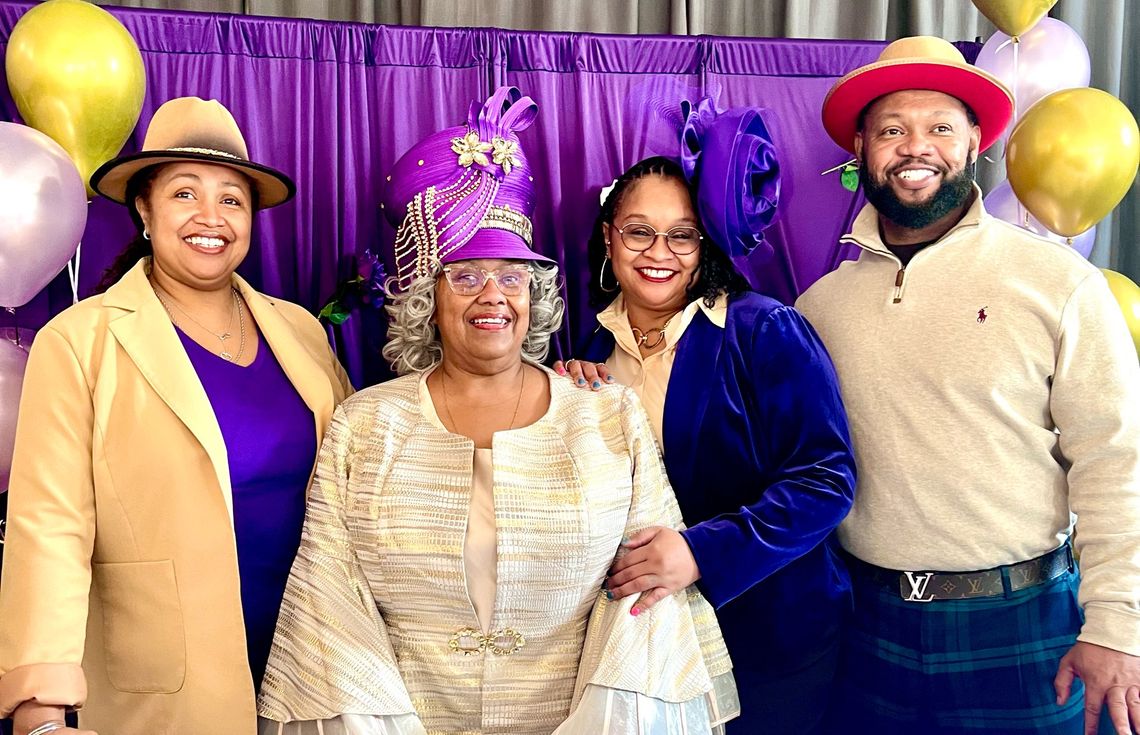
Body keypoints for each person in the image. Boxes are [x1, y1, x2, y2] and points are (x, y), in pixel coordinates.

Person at [257, 87, 738, 735]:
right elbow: (328, 599)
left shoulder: (606, 415)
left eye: (513, 276)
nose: (494, 295)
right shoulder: (363, 425)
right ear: (427, 293)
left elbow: (648, 597)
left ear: (534, 293)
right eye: (466, 274)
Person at [795, 36, 1140, 734]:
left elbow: (1117, 458)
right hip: (866, 629)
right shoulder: (818, 307)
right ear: (861, 146)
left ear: (976, 141)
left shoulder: (1058, 281)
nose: (915, 147)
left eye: (939, 128)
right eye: (892, 129)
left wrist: (1118, 622)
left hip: (1026, 626)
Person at [0, 97, 352, 735]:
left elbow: (363, 480)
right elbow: (50, 526)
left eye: (232, 199)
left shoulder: (299, 331)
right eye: (185, 194)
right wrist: (41, 704)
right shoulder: (79, 341)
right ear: (144, 209)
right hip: (168, 679)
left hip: (313, 661)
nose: (210, 218)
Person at [567, 100, 856, 735]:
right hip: (643, 645)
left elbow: (826, 483)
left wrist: (700, 552)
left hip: (771, 636)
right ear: (609, 236)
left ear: (705, 242)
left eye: (682, 233)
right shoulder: (586, 351)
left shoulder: (763, 330)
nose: (659, 252)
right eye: (639, 231)